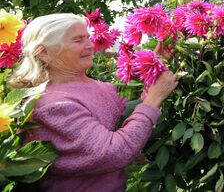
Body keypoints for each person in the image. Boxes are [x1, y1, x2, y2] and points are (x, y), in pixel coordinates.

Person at [8, 13, 177, 192]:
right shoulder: (51, 105)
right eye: (78, 40)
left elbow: (134, 125)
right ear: (44, 53)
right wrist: (154, 100)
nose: (90, 45)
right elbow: (113, 153)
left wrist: (155, 67)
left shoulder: (102, 88)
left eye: (87, 37)